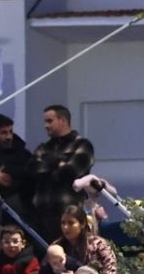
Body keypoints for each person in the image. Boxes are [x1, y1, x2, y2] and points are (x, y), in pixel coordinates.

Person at [26, 104, 95, 245]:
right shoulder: (43, 147)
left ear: (63, 120)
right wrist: (57, 164)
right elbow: (30, 169)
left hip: (70, 214)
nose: (45, 125)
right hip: (43, 216)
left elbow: (71, 172)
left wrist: (46, 167)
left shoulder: (82, 145)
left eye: (49, 121)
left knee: (74, 256)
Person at [57, 206, 119, 274]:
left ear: (82, 224)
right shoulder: (58, 247)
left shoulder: (98, 245)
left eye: (70, 223)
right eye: (63, 223)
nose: (65, 227)